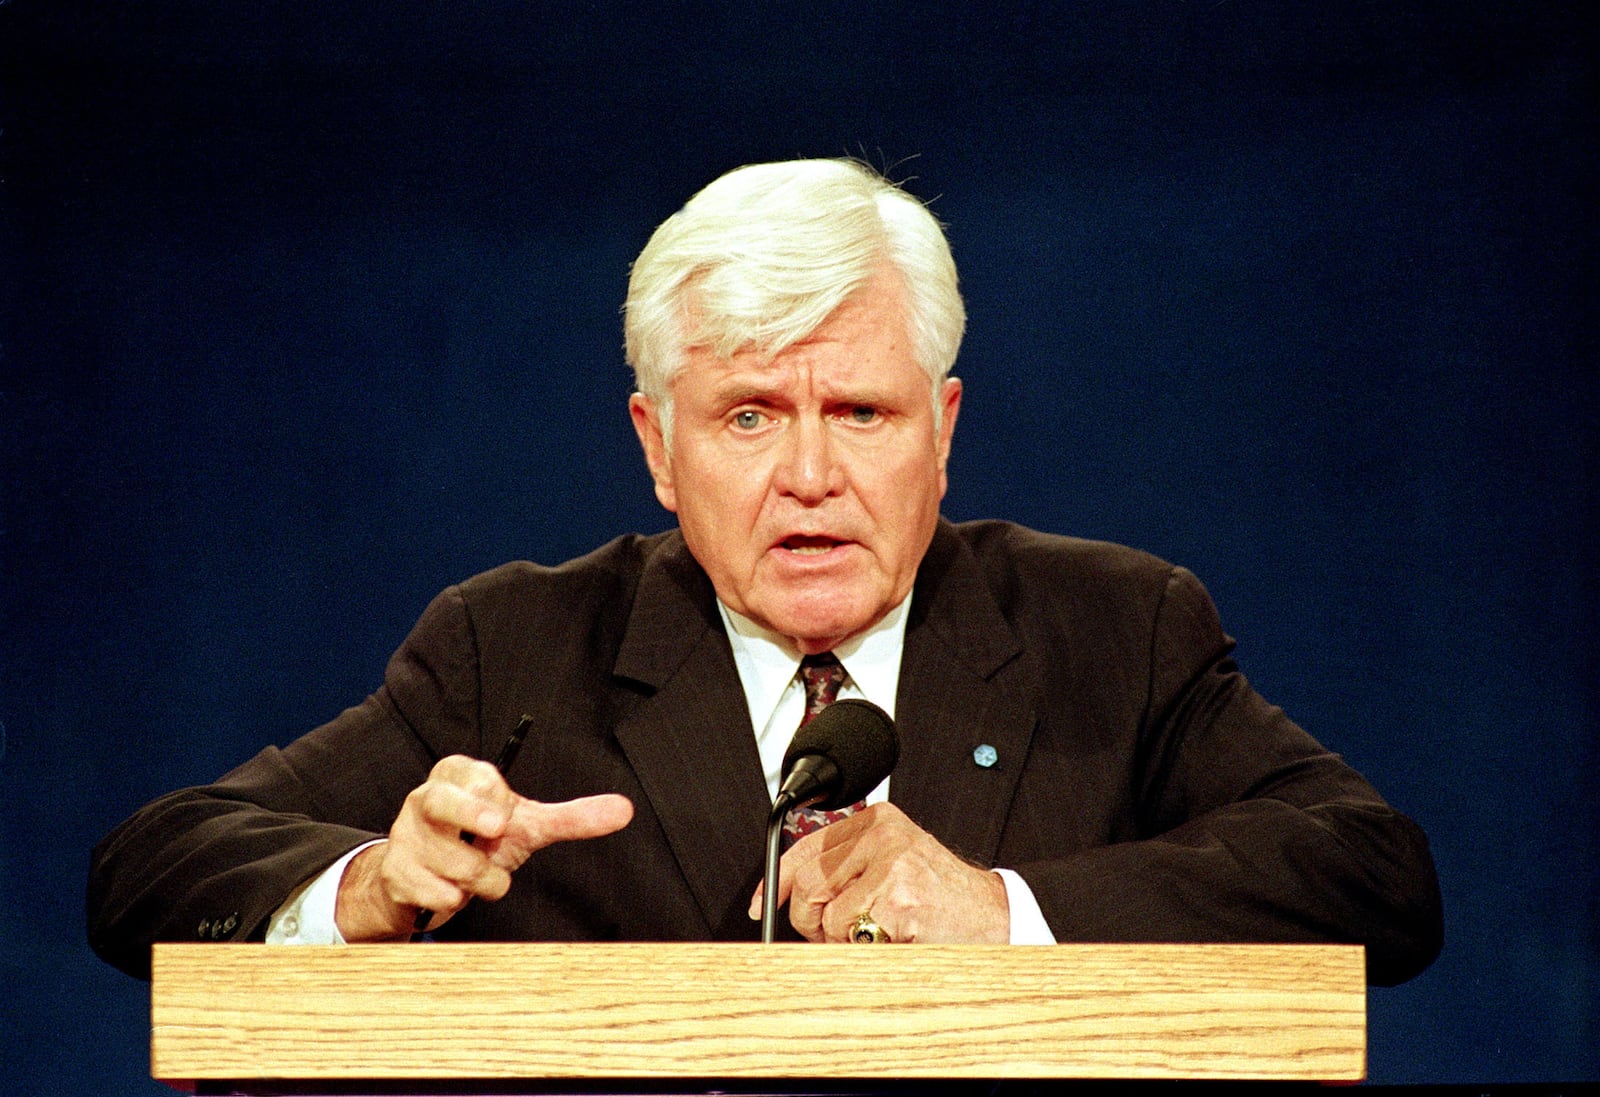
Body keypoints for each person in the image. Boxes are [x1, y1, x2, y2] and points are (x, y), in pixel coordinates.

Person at [87, 158, 1442, 984]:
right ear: (657, 448)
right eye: (747, 416)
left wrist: (1003, 909)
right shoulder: (513, 655)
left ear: (944, 431)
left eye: (859, 411)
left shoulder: (1115, 632)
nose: (809, 473)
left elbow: (1374, 877)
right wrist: (374, 881)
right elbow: (149, 869)